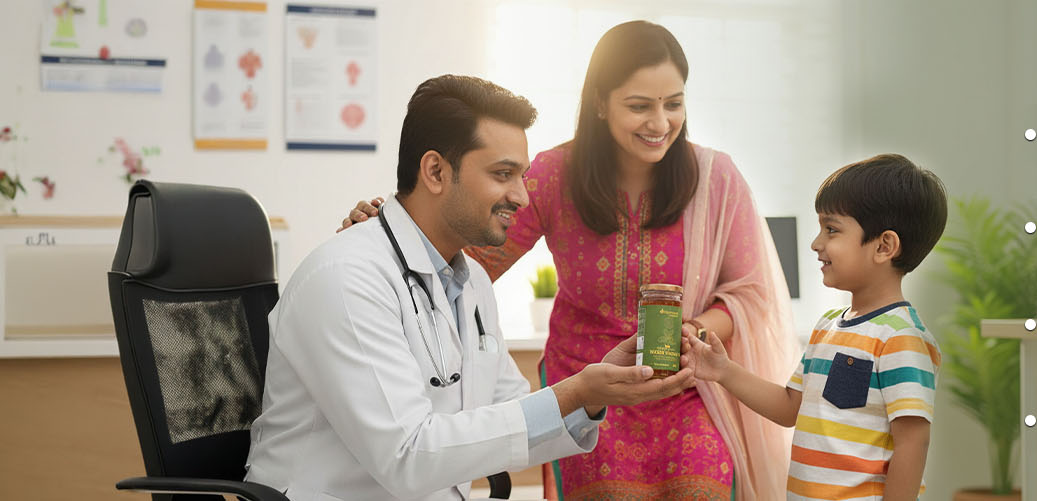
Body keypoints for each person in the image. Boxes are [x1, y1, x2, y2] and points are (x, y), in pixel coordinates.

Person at [340, 21, 797, 500]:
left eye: (674, 103)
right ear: (600, 103)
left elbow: (750, 293)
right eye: (639, 105)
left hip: (684, 389)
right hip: (588, 391)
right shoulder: (553, 175)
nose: (660, 123)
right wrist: (390, 236)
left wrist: (690, 336)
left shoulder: (716, 179)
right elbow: (466, 256)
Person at [246, 75, 694, 501]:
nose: (522, 196)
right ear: (436, 172)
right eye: (503, 174)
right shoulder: (346, 278)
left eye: (522, 175)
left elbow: (517, 416)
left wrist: (591, 394)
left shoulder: (471, 282)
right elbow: (407, 456)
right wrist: (573, 391)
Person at [684, 154, 948, 501]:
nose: (816, 243)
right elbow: (787, 407)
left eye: (832, 229)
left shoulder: (901, 339)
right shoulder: (828, 328)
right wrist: (723, 371)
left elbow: (913, 441)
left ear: (884, 246)